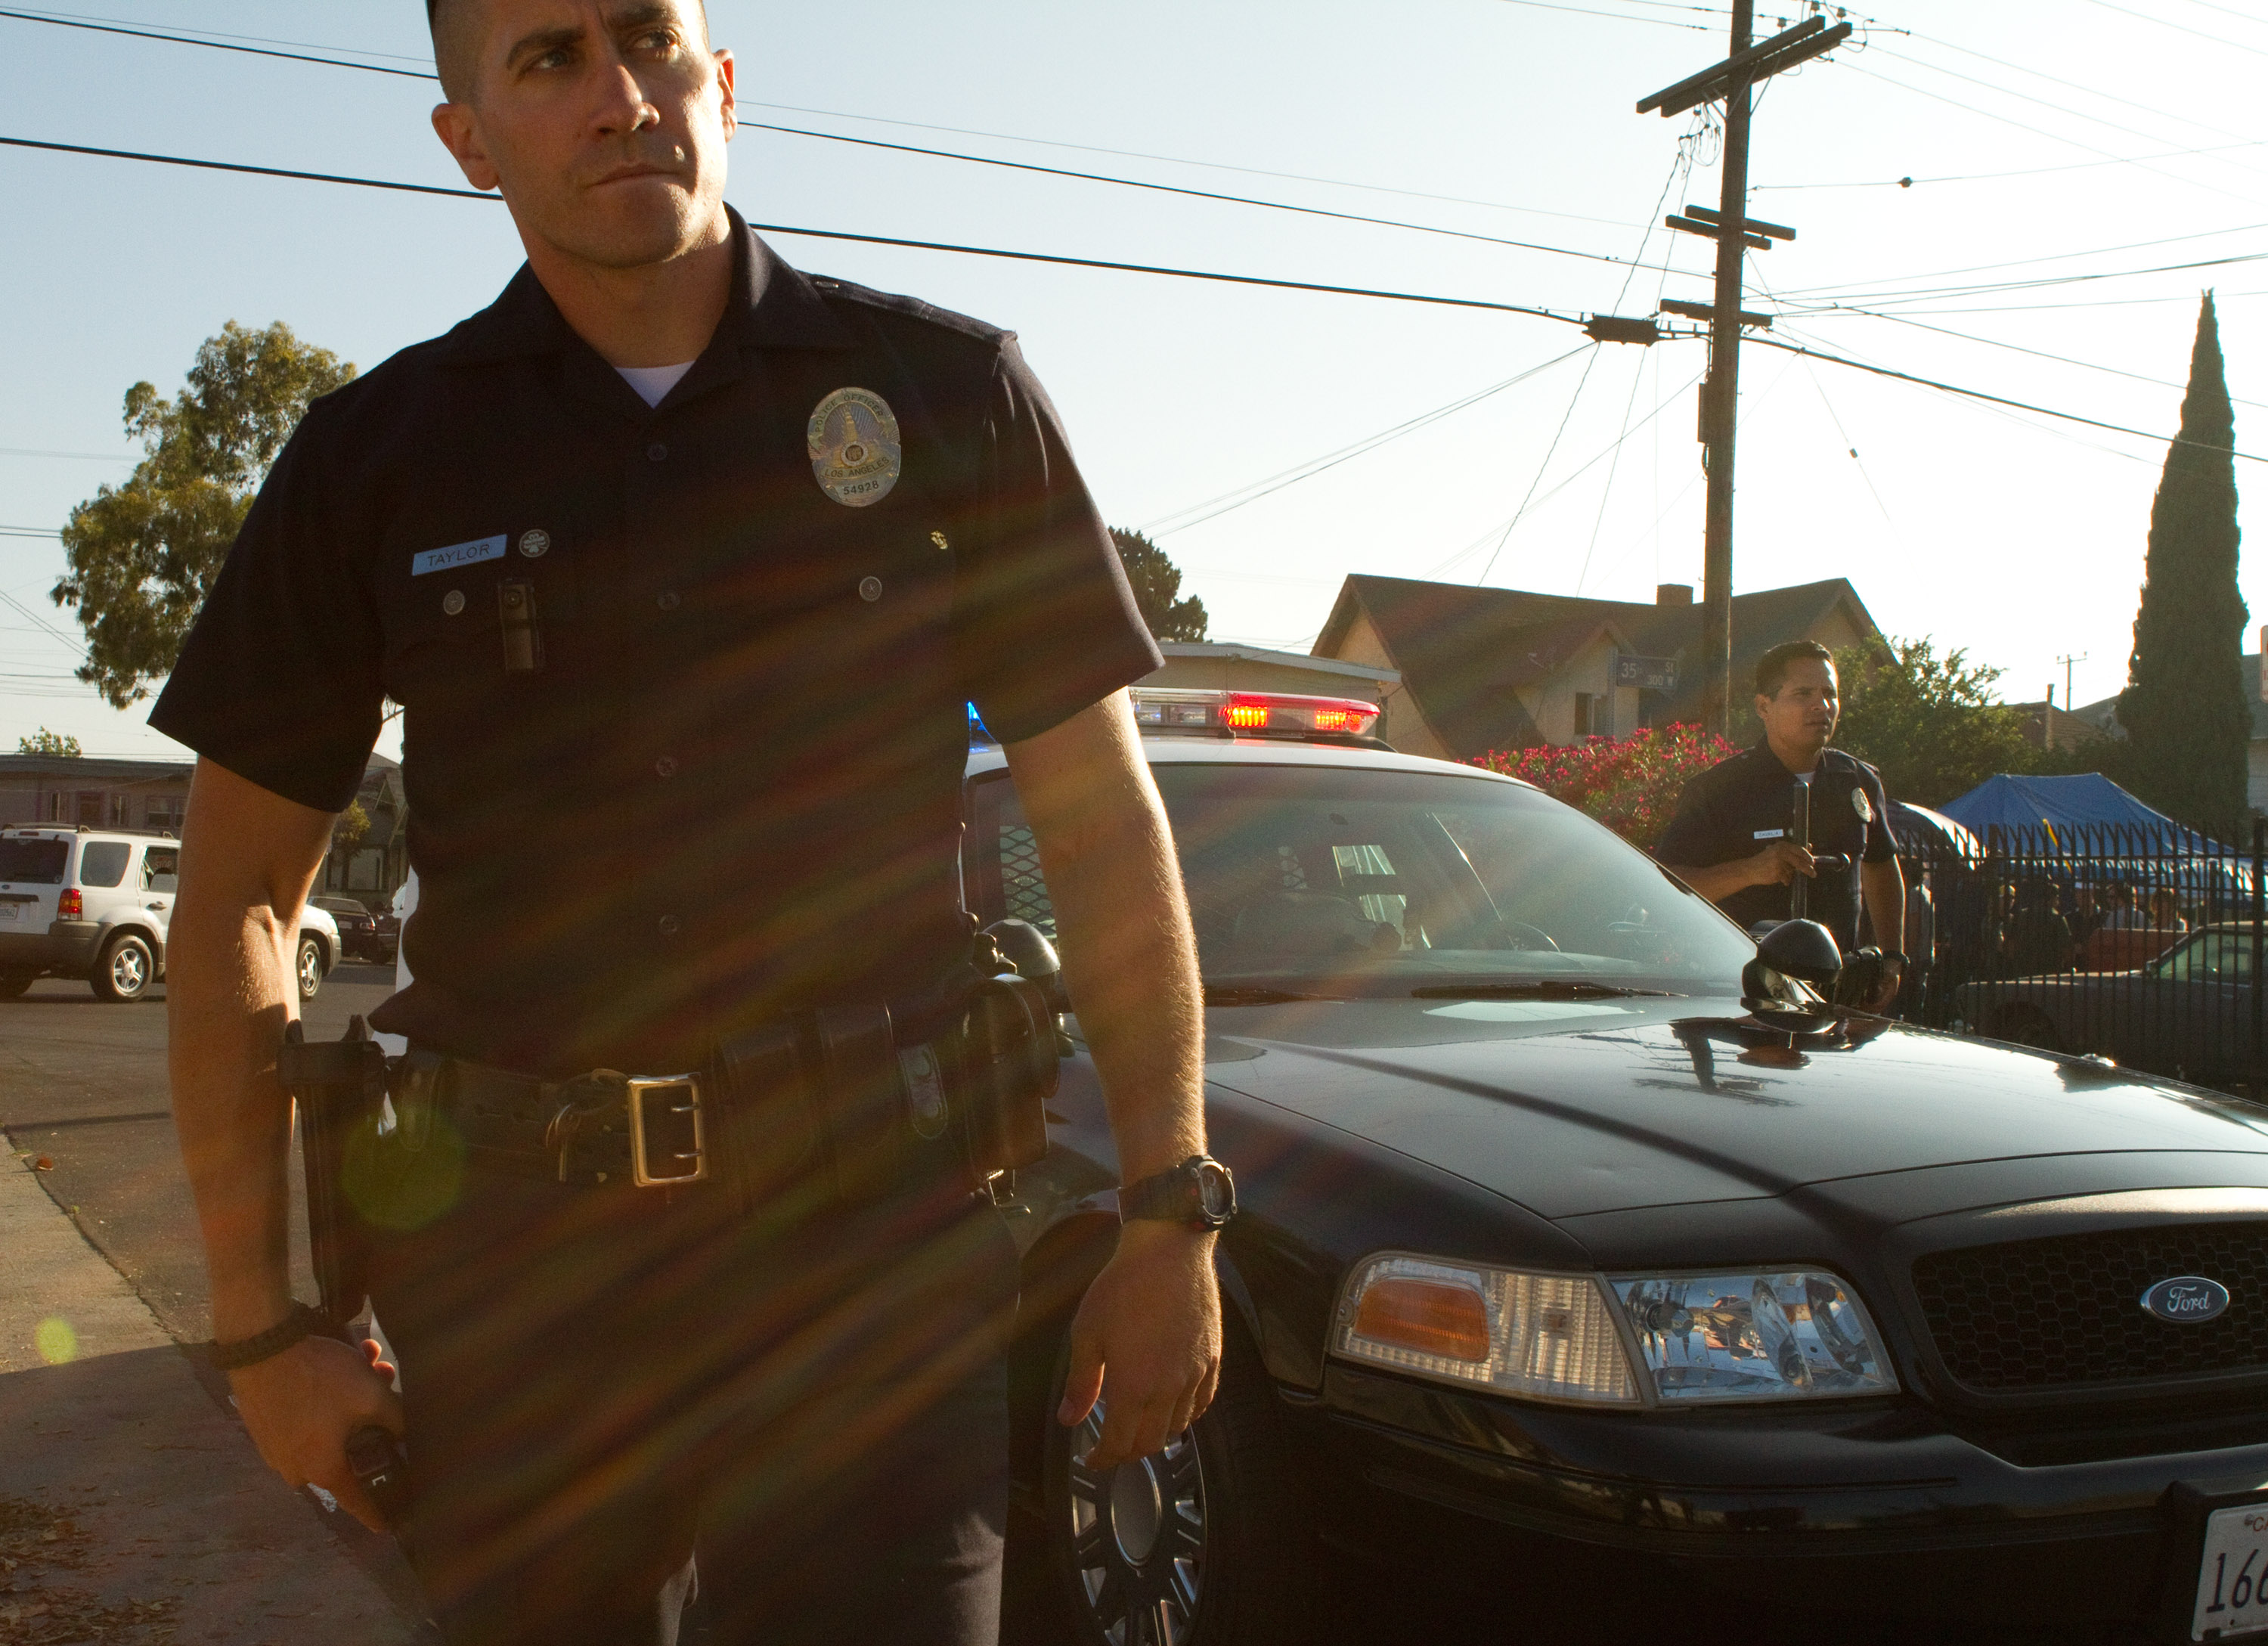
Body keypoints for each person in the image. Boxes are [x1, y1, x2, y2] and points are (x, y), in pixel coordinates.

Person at [152, 4, 1223, 1641]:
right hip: (522, 1287)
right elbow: (236, 891)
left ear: (722, 84)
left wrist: (1171, 1206)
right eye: (547, 60)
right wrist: (260, 1328)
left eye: (650, 42)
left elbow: (1098, 818)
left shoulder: (945, 394)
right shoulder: (377, 456)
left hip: (872, 1260)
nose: (617, 98)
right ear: (469, 142)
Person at [1656, 640, 1906, 1011]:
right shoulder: (1719, 790)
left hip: (1836, 995)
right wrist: (1751, 870)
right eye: (1802, 693)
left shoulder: (1857, 781)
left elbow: (1882, 865)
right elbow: (1669, 885)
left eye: (1829, 693)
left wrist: (1892, 956)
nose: (1821, 706)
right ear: (1763, 706)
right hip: (1744, 995)